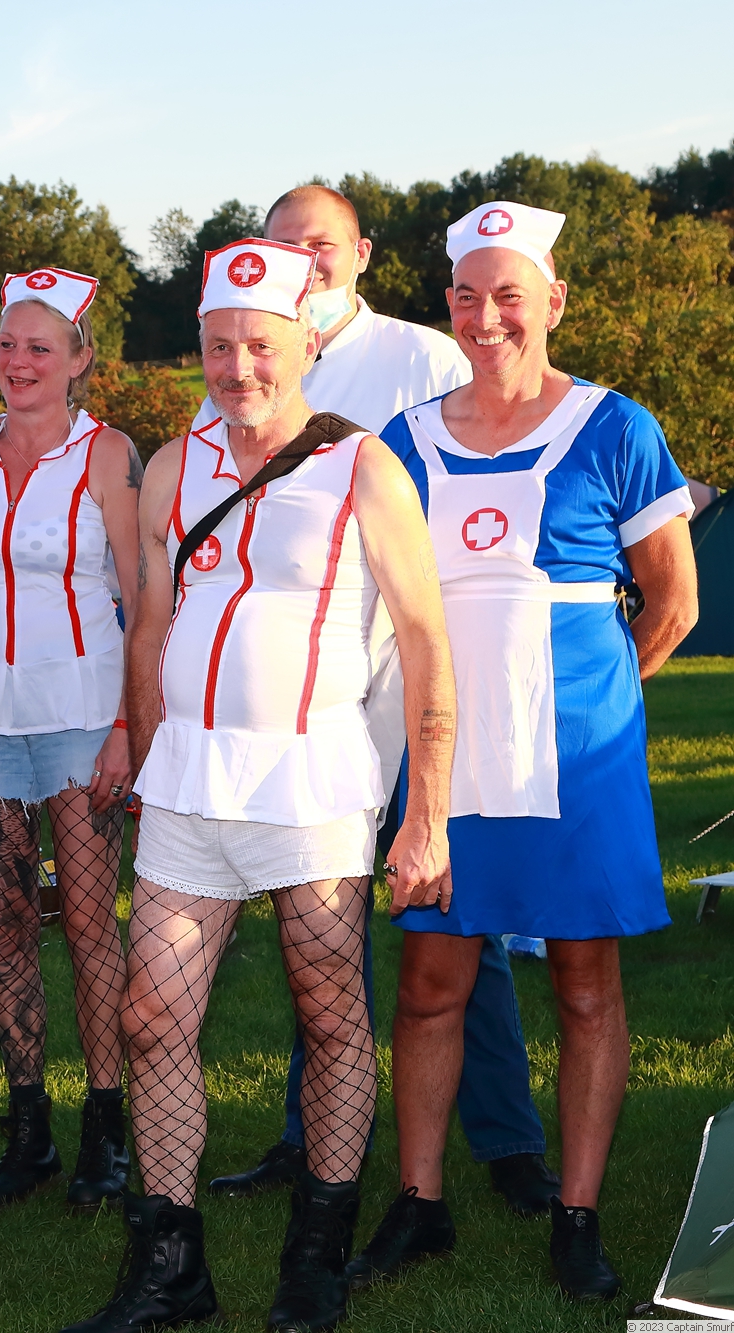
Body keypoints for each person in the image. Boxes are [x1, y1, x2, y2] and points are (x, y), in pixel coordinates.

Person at [62, 240, 456, 1333]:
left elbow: (426, 640)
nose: (238, 367)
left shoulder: (361, 465)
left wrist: (425, 812)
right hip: (189, 781)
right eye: (219, 345)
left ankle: (314, 1261)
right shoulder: (171, 467)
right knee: (150, 1016)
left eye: (260, 345)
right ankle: (169, 1269)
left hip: (313, 780)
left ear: (306, 343)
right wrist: (148, 754)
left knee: (329, 1016)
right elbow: (151, 623)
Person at [348, 201, 697, 1303]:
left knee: (585, 983)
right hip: (445, 750)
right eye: (466, 296)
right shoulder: (404, 437)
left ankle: (576, 1215)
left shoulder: (615, 425)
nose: (486, 316)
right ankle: (419, 1202)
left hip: (575, 755)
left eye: (509, 295)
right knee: (428, 981)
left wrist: (589, 703)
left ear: (553, 301)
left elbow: (674, 601)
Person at [205, 186, 558, 1218]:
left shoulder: (422, 356)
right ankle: (308, 1138)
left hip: (414, 684)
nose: (302, 261)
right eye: (281, 245)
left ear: (359, 253)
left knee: (451, 909)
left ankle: (507, 1141)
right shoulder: (246, 360)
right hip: (311, 695)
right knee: (317, 923)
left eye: (318, 244)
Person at [0, 269, 141, 1214]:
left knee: (91, 924)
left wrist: (130, 726)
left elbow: (144, 596)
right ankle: (29, 1129)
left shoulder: (109, 454)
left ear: (80, 359)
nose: (19, 363)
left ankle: (107, 1124)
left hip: (85, 719)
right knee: (6, 921)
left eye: (40, 348)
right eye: (8, 345)